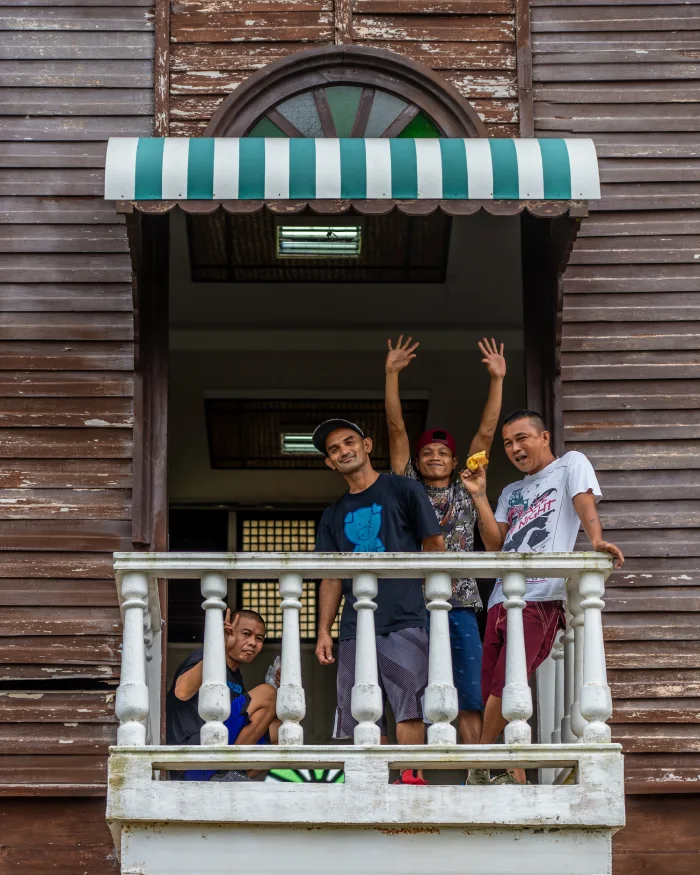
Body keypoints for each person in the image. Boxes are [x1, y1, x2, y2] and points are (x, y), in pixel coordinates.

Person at [460, 408, 625, 784]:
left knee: (508, 682)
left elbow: (584, 502)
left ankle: (480, 760)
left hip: (542, 594)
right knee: (494, 690)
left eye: (522, 438)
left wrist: (596, 539)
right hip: (502, 595)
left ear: (544, 437)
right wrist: (481, 496)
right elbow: (495, 545)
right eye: (508, 443)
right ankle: (514, 774)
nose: (515, 448)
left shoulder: (570, 465)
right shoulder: (511, 491)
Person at [384, 335, 506, 757]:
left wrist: (497, 380)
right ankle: (413, 773)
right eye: (428, 452)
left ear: (455, 461)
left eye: (443, 452)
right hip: (413, 608)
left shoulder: (467, 484)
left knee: (471, 695)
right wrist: (392, 374)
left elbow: (487, 432)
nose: (435, 456)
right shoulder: (407, 487)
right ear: (418, 461)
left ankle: (476, 772)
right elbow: (396, 429)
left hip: (462, 603)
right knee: (413, 695)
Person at [312, 418, 445, 785]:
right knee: (361, 710)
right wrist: (324, 630)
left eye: (349, 442)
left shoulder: (403, 490)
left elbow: (435, 547)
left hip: (405, 617)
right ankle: (371, 786)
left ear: (367, 445)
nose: (343, 451)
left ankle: (410, 780)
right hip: (355, 625)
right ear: (330, 463)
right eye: (334, 449)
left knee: (410, 705)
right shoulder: (333, 515)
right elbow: (330, 576)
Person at [166, 608, 280, 782]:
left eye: (259, 638)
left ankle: (233, 775)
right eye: (246, 634)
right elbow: (181, 692)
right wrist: (217, 648)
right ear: (229, 633)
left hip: (215, 758)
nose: (252, 643)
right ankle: (227, 769)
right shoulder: (203, 656)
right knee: (267, 693)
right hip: (192, 758)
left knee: (280, 729)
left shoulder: (236, 678)